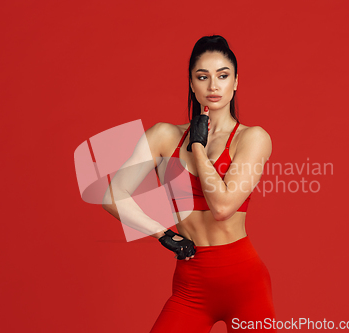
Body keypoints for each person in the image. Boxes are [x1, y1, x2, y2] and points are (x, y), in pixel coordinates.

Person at [103, 35, 276, 332]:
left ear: (235, 82)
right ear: (191, 84)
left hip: (244, 280)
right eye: (202, 77)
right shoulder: (163, 135)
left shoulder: (253, 138)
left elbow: (222, 207)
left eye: (223, 76)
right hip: (190, 283)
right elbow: (112, 194)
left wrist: (198, 147)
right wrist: (162, 234)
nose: (213, 86)